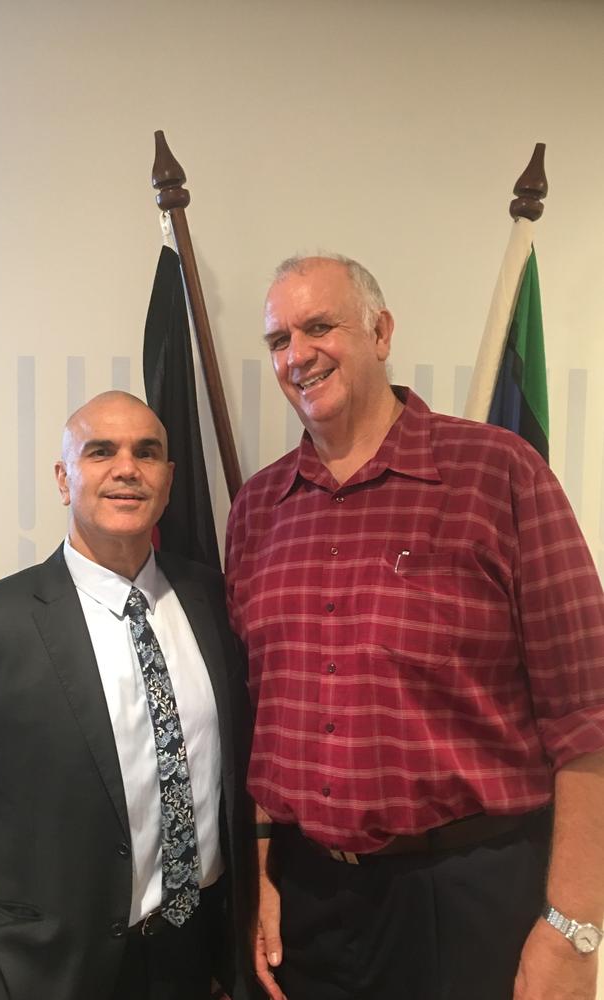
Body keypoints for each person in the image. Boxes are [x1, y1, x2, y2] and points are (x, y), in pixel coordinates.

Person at [225, 255, 604, 1000]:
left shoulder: (499, 473)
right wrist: (262, 871)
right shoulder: (257, 510)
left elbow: (587, 713)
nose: (297, 355)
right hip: (308, 905)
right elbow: (263, 711)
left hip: (468, 895)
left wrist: (576, 927)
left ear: (381, 331)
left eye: (319, 326)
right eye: (278, 340)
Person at [0, 390, 255, 1000]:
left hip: (194, 956)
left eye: (147, 453)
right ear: (65, 479)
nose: (127, 468)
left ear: (168, 484)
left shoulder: (217, 603)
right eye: (101, 452)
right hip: (45, 969)